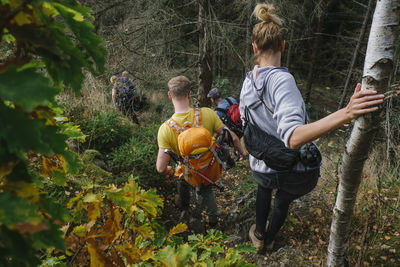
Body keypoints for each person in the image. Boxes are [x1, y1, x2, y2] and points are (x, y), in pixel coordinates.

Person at [240, 3, 384, 252]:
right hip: (294, 172)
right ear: (283, 46)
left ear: (255, 48)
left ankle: (259, 234)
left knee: (264, 188)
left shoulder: (248, 81)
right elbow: (294, 138)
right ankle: (269, 238)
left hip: (262, 164)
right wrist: (347, 112)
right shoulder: (282, 80)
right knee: (282, 198)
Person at [156, 76, 247, 227]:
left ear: (170, 95)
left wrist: (169, 171)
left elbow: (160, 168)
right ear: (189, 94)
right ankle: (213, 222)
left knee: (182, 178)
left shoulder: (165, 129)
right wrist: (241, 151)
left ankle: (185, 209)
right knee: (206, 189)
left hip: (187, 171)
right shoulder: (208, 114)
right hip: (207, 168)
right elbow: (232, 137)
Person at [208, 88, 242, 168]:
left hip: (234, 133)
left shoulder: (217, 112)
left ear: (212, 99)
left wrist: (213, 138)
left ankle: (229, 163)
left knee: (219, 142)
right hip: (242, 127)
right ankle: (237, 153)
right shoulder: (231, 99)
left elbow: (218, 129)